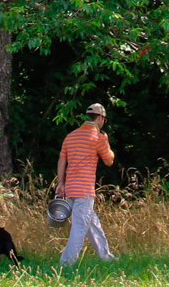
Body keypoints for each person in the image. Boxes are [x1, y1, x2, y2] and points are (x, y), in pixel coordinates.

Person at [55, 102, 117, 265]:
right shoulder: (99, 137)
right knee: (79, 228)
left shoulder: (71, 136)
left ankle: (105, 257)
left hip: (70, 189)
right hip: (85, 190)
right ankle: (66, 263)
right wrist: (107, 143)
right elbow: (109, 160)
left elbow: (62, 160)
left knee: (91, 223)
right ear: (101, 118)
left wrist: (61, 184)